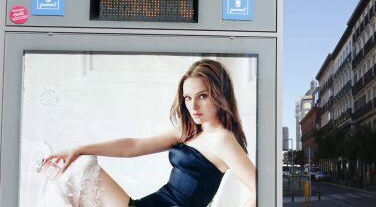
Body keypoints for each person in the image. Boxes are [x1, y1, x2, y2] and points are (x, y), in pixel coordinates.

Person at [41, 59, 257, 207]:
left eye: (203, 96)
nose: (193, 106)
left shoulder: (223, 140)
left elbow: (260, 189)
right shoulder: (189, 132)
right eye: (188, 98)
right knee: (80, 164)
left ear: (220, 94)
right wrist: (77, 149)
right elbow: (134, 146)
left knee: (80, 168)